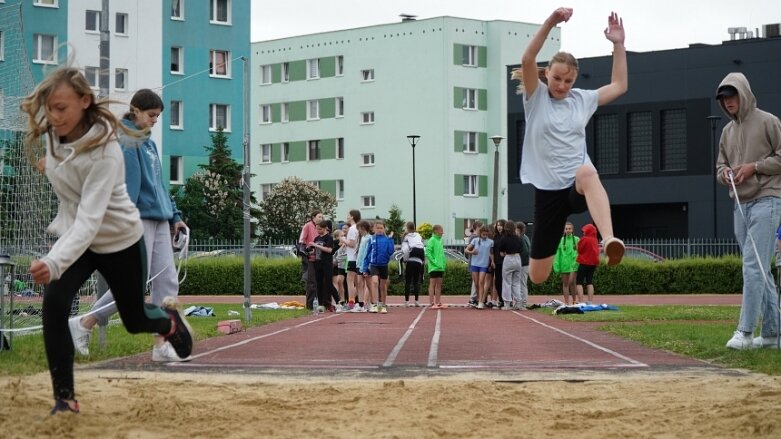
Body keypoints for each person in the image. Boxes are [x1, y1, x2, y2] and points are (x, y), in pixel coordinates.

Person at [20, 66, 193, 415]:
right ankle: (65, 399)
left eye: (62, 107)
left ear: (85, 102)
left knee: (135, 320)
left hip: (118, 239)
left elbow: (92, 217)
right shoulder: (57, 139)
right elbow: (73, 206)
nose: (54, 117)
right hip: (79, 238)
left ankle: (168, 324)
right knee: (53, 303)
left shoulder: (109, 149)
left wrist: (54, 260)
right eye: (50, 108)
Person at [67, 89, 189, 362]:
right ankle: (84, 322)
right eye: (151, 116)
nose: (155, 121)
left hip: (159, 219)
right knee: (133, 284)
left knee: (167, 281)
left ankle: (162, 344)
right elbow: (129, 188)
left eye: (157, 117)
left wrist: (175, 215)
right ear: (135, 111)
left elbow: (159, 185)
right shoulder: (127, 142)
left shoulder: (149, 143)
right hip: (138, 219)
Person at [513, 7, 626, 285]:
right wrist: (551, 21)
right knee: (538, 277)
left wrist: (618, 44)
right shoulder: (536, 97)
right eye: (557, 78)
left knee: (588, 172)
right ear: (547, 74)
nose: (562, 85)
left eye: (568, 81)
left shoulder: (581, 100)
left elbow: (619, 85)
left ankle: (609, 239)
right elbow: (527, 58)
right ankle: (540, 266)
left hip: (574, 185)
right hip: (547, 193)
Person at [715, 72, 781, 350]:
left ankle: (744, 331)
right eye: (723, 98)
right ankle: (772, 334)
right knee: (759, 270)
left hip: (768, 199)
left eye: (732, 95)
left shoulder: (768, 121)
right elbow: (719, 167)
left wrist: (754, 166)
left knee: (752, 266)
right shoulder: (727, 132)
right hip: (740, 205)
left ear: (743, 94)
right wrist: (727, 174)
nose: (728, 102)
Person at [362, 220, 395, 314]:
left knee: (383, 286)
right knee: (375, 282)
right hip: (374, 265)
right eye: (377, 228)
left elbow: (391, 251)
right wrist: (364, 268)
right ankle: (375, 304)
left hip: (384, 265)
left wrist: (391, 240)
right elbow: (367, 254)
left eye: (381, 228)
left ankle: (383, 305)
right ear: (374, 229)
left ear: (384, 229)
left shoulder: (387, 239)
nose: (379, 230)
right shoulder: (371, 239)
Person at [465, 226, 494, 309]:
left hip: (484, 265)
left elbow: (491, 253)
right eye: (483, 233)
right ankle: (478, 299)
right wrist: (472, 252)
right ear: (480, 233)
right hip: (474, 264)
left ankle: (481, 301)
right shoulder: (475, 240)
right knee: (477, 283)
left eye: (486, 233)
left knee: (481, 282)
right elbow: (466, 250)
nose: (485, 234)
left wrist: (492, 261)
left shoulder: (491, 242)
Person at [299, 209, 323, 310]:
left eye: (322, 217)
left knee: (319, 282)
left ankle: (319, 303)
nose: (321, 218)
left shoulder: (322, 228)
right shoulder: (308, 226)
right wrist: (306, 252)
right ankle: (310, 305)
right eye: (319, 217)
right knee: (311, 282)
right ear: (313, 217)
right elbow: (301, 241)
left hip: (319, 258)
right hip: (310, 258)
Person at [553, 222, 580, 305]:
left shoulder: (577, 239)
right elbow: (557, 254)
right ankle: (567, 302)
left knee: (572, 283)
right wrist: (556, 265)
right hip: (564, 265)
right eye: (566, 229)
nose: (568, 230)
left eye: (569, 229)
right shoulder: (560, 240)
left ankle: (574, 301)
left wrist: (577, 262)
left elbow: (580, 252)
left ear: (572, 230)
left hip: (573, 265)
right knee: (565, 284)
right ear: (564, 230)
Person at [498, 221, 522, 310]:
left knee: (507, 282)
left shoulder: (503, 238)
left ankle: (507, 304)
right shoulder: (518, 238)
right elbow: (521, 249)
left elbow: (501, 253)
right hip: (517, 258)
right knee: (516, 282)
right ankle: (518, 302)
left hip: (508, 258)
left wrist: (504, 254)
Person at [311, 220, 334, 312]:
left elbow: (329, 250)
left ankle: (328, 302)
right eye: (317, 229)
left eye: (320, 229)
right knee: (319, 283)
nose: (318, 231)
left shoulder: (329, 238)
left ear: (325, 228)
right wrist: (310, 250)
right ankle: (320, 303)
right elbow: (314, 250)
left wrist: (317, 245)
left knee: (327, 283)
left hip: (327, 263)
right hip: (318, 262)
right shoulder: (316, 238)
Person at [339, 210, 361, 305]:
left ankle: (351, 301)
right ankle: (360, 302)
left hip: (352, 257)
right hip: (357, 257)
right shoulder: (358, 228)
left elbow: (352, 244)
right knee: (357, 281)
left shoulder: (352, 228)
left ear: (352, 217)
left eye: (348, 215)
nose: (347, 217)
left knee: (350, 280)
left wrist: (343, 239)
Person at [401, 222, 425, 307]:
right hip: (419, 259)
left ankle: (406, 301)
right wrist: (422, 261)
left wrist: (405, 260)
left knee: (408, 281)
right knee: (416, 281)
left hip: (411, 259)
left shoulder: (406, 237)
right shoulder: (419, 235)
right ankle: (416, 301)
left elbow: (405, 249)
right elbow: (422, 246)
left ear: (407, 228)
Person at [576, 223, 600, 305]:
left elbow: (579, 250)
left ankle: (581, 301)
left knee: (579, 282)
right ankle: (590, 301)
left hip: (584, 262)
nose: (583, 232)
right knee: (589, 282)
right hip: (593, 264)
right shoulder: (595, 240)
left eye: (584, 231)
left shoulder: (584, 239)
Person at [425, 224, 447, 309]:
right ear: (436, 231)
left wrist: (443, 263)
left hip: (440, 267)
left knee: (439, 285)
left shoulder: (440, 241)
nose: (442, 232)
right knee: (432, 284)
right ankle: (431, 302)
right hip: (434, 267)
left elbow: (442, 253)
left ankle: (438, 302)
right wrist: (434, 262)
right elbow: (427, 252)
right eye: (441, 231)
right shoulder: (432, 240)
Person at [355, 220, 373, 310]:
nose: (358, 230)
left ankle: (370, 303)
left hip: (365, 264)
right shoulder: (362, 238)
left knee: (368, 284)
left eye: (359, 228)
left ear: (363, 228)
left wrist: (366, 265)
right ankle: (361, 303)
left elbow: (368, 253)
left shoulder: (369, 238)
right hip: (359, 263)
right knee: (359, 283)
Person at [517, 221, 532, 310]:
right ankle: (521, 302)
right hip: (525, 263)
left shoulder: (522, 238)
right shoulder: (526, 237)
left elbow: (526, 251)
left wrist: (519, 258)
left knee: (522, 284)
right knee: (521, 283)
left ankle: (523, 303)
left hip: (523, 264)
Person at [492, 220, 507, 308]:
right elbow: (492, 250)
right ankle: (501, 300)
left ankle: (504, 300)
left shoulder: (506, 236)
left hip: (505, 262)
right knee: (497, 282)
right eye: (498, 225)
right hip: (497, 262)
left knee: (504, 282)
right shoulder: (495, 236)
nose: (499, 227)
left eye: (501, 225)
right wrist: (493, 261)